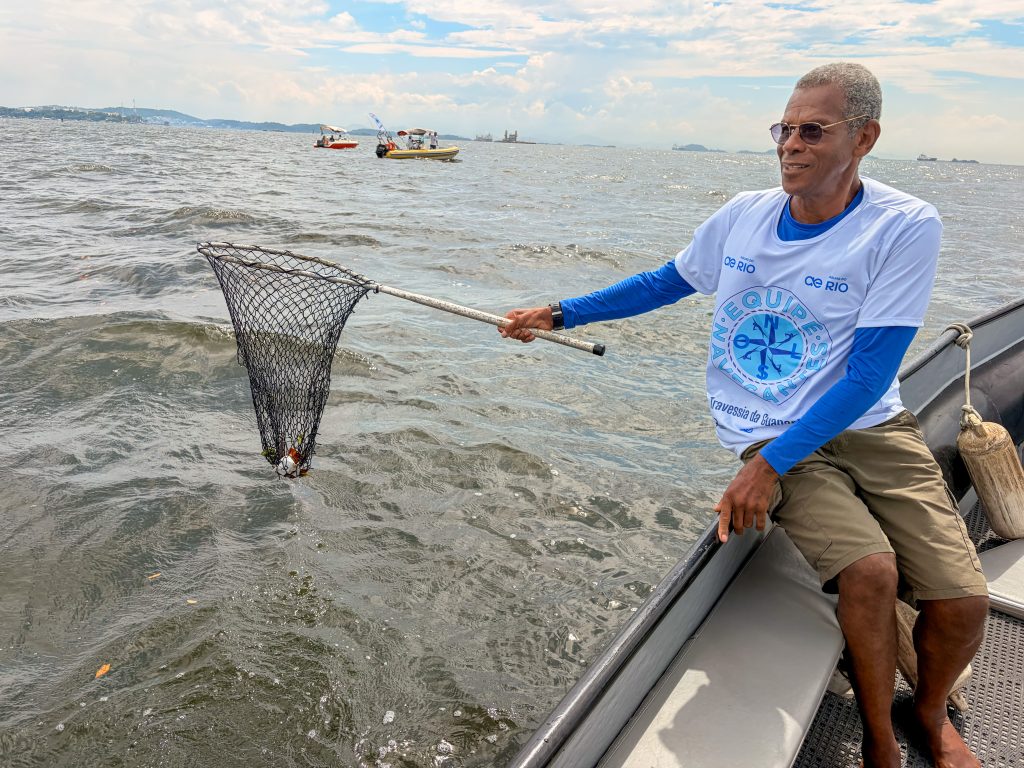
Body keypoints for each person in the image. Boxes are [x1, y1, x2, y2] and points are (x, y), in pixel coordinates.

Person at [499, 62, 988, 768]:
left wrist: (765, 471)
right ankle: (881, 740)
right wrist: (559, 312)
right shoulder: (743, 214)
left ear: (864, 138)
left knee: (964, 599)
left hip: (870, 422)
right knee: (872, 573)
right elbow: (666, 282)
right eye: (784, 129)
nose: (790, 145)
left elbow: (869, 377)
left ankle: (930, 712)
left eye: (812, 131)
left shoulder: (904, 225)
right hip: (772, 426)